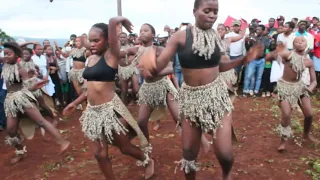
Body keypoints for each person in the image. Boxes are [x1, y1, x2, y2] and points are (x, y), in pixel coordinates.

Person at [138, 0, 261, 179]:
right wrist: (151, 67)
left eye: (215, 11)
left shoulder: (215, 38)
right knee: (188, 154)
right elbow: (161, 64)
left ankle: (226, 174)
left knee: (225, 154)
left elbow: (221, 66)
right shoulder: (180, 37)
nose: (212, 15)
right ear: (195, 11)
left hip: (216, 97)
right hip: (191, 100)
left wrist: (243, 59)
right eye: (207, 10)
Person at [63, 17, 154, 179]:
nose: (92, 44)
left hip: (110, 112)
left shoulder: (111, 56)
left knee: (124, 147)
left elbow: (113, 36)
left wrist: (116, 21)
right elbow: (91, 89)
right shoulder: (90, 59)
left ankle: (147, 160)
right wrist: (75, 102)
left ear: (106, 41)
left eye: (96, 40)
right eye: (91, 41)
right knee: (99, 154)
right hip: (93, 113)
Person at [3, 42, 69, 164]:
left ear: (16, 55)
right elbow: (15, 47)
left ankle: (63, 141)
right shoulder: (4, 62)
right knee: (11, 130)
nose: (6, 56)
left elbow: (28, 86)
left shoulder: (21, 69)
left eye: (9, 54)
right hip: (10, 101)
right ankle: (20, 152)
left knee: (40, 121)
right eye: (5, 53)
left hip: (22, 98)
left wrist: (36, 85)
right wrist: (21, 44)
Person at [266, 37, 318, 151]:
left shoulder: (308, 61)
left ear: (307, 44)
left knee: (309, 114)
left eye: (302, 41)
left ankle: (306, 135)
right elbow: (273, 56)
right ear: (293, 45)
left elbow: (314, 80)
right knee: (286, 115)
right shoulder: (288, 55)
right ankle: (283, 141)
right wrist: (276, 52)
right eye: (297, 42)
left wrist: (310, 88)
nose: (300, 43)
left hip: (300, 88)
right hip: (285, 88)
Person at [117, 32, 140, 105]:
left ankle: (135, 100)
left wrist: (133, 60)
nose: (123, 39)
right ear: (119, 38)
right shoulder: (116, 48)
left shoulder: (131, 46)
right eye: (121, 37)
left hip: (131, 68)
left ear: (126, 38)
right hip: (121, 69)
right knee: (124, 90)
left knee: (136, 88)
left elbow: (137, 55)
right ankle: (124, 106)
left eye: (124, 37)